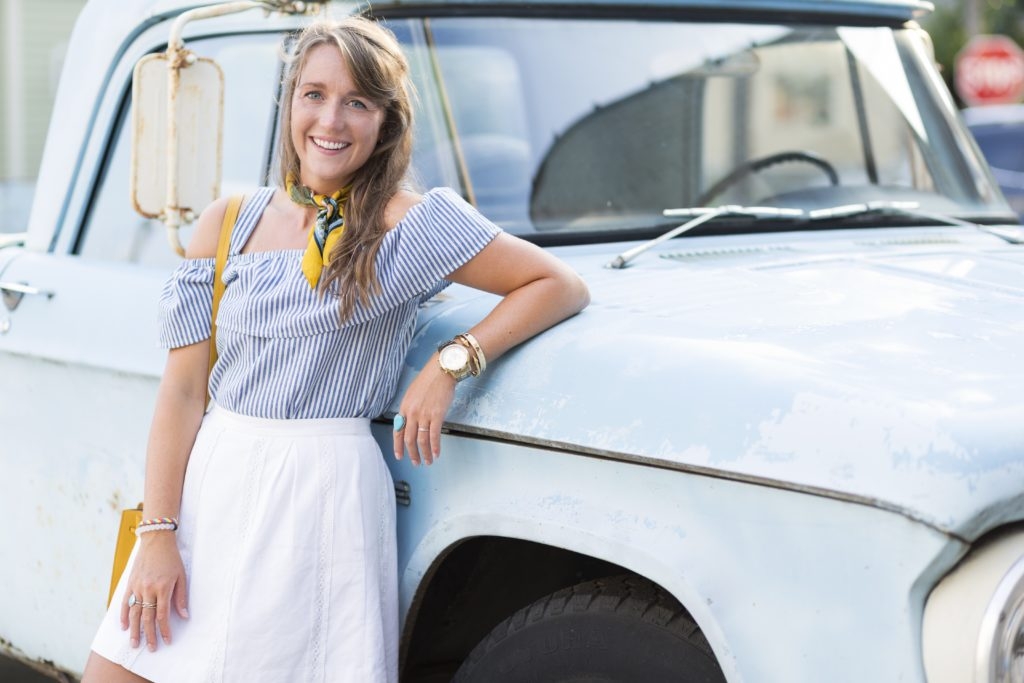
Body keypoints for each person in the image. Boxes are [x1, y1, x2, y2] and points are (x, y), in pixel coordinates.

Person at [81, 15, 589, 683]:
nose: (332, 119)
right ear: (290, 102)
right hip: (214, 482)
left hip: (320, 493)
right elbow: (181, 393)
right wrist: (157, 532)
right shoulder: (228, 221)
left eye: (358, 102)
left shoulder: (409, 222)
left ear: (386, 122)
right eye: (314, 94)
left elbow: (556, 283)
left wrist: (454, 360)